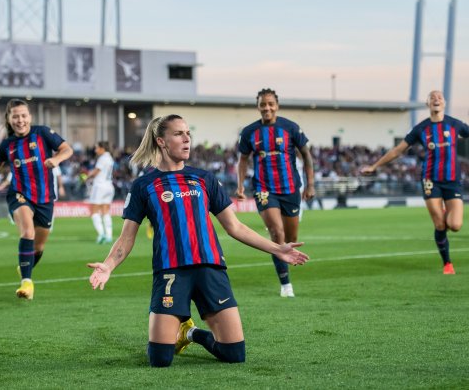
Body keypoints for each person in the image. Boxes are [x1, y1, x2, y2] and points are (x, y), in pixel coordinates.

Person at [87, 114, 309, 368]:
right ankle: (175, 333)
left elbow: (234, 227)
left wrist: (277, 248)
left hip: (210, 268)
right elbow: (127, 239)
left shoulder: (204, 179)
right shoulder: (144, 186)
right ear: (161, 141)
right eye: (179, 134)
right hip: (170, 273)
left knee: (234, 354)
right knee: (160, 359)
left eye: (188, 133)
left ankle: (190, 333)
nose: (187, 139)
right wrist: (108, 266)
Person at [361, 90, 469, 274]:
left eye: (439, 97)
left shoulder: (454, 124)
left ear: (444, 103)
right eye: (432, 97)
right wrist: (374, 166)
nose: (436, 99)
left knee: (455, 225)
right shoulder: (420, 129)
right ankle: (447, 263)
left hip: (452, 181)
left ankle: (444, 213)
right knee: (440, 225)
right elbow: (397, 150)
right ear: (428, 104)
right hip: (430, 180)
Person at [0, 98, 73, 300]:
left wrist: (56, 159)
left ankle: (25, 267)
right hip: (19, 194)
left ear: (30, 117)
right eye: (15, 116)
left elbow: (67, 149)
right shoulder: (8, 144)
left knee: (39, 246)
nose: (20, 120)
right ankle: (27, 283)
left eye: (23, 116)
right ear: (9, 120)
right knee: (27, 231)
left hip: (45, 197)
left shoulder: (42, 133)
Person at [236, 88, 315, 297]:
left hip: (290, 189)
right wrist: (241, 186)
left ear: (277, 105)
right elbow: (243, 159)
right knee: (276, 233)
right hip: (263, 188)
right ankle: (285, 284)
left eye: (270, 104)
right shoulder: (249, 132)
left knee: (291, 237)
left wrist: (310, 184)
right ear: (258, 106)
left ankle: (285, 265)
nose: (267, 108)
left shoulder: (290, 128)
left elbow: (306, 155)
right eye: (263, 104)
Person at [86, 141, 115, 244]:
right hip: (109, 186)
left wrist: (87, 176)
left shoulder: (102, 158)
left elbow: (96, 171)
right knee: (106, 211)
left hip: (100, 186)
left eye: (97, 148)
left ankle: (101, 234)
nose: (95, 150)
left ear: (102, 148)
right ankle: (109, 235)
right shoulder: (110, 158)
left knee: (94, 211)